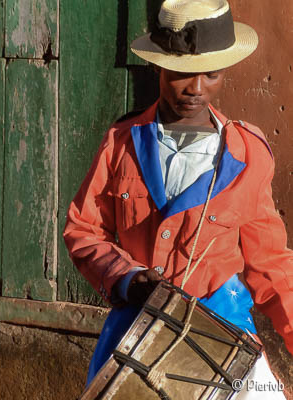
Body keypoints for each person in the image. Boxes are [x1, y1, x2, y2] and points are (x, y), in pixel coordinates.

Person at [63, 0, 292, 398]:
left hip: (225, 331)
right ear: (158, 67)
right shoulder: (121, 144)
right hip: (136, 333)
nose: (196, 88)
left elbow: (271, 266)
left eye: (212, 74)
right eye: (182, 74)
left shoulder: (247, 155)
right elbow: (84, 230)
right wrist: (127, 279)